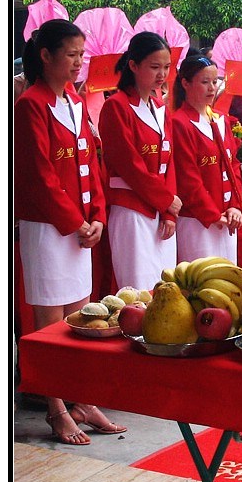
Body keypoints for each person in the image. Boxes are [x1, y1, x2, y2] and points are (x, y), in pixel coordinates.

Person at [15, 19, 126, 444]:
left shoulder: (76, 103)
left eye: (83, 55)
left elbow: (91, 165)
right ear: (46, 56)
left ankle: (81, 399)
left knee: (81, 319)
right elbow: (38, 176)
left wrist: (97, 214)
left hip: (81, 227)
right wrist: (74, 222)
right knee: (49, 325)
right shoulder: (30, 104)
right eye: (72, 55)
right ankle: (55, 407)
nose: (80, 63)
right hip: (50, 229)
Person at [99, 31, 180, 290]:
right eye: (154, 67)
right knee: (137, 291)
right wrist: (166, 200)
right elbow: (130, 165)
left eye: (166, 67)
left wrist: (169, 212)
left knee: (166, 289)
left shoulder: (160, 108)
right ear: (133, 65)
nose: (162, 74)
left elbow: (169, 163)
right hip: (132, 211)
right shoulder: (116, 107)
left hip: (160, 212)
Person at [171, 55, 242, 264]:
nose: (211, 88)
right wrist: (212, 214)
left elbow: (234, 166)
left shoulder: (220, 119)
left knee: (230, 283)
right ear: (185, 83)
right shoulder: (180, 123)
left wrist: (235, 206)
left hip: (227, 219)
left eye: (214, 81)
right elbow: (187, 178)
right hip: (197, 222)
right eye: (204, 82)